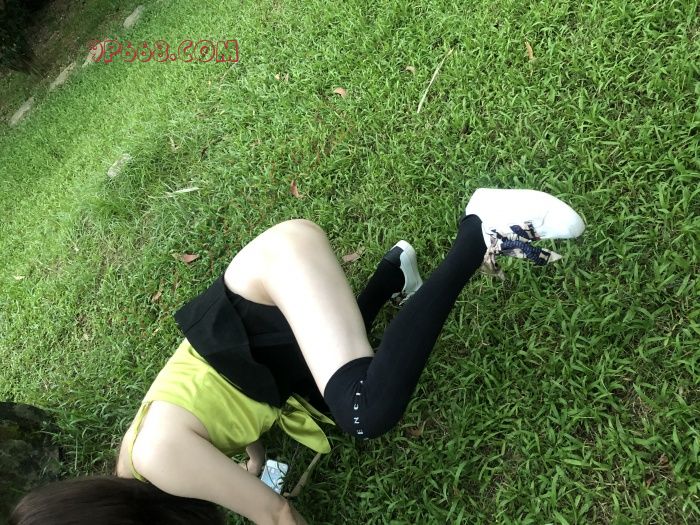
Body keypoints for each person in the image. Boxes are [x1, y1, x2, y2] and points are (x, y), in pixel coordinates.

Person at [10, 188, 585, 525]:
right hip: (268, 338)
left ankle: (480, 227)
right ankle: (394, 274)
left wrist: (259, 490)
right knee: (334, 402)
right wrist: (253, 463)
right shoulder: (134, 473)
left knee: (364, 410)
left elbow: (276, 514)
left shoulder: (157, 463)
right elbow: (207, 407)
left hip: (274, 277)